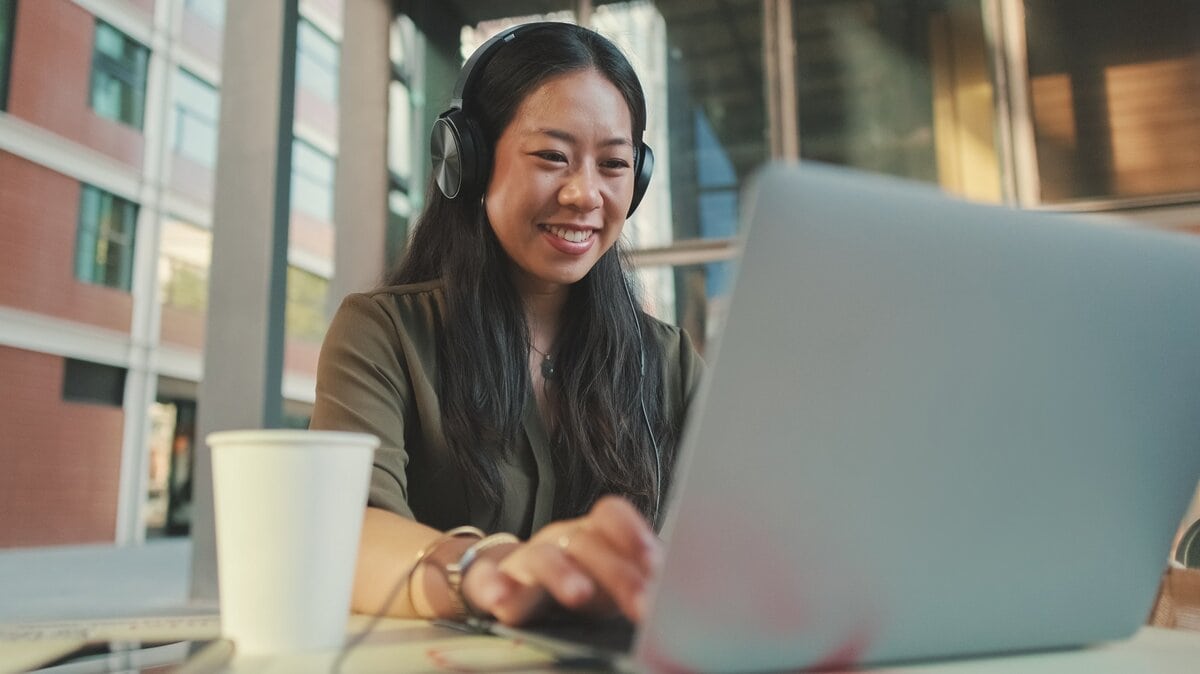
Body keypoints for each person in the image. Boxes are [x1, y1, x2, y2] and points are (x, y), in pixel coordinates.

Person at [310, 21, 703, 628]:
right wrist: (484, 572)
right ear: (464, 160)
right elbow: (346, 533)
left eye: (614, 165)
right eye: (552, 156)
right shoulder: (383, 334)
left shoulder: (669, 361)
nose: (585, 194)